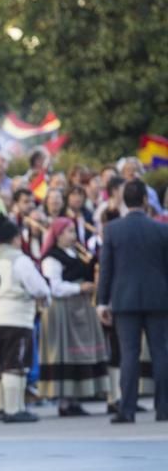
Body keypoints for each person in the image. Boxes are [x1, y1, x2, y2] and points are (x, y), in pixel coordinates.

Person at [97, 180, 168, 423]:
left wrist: (101, 302)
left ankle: (126, 409)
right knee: (161, 353)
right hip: (158, 299)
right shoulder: (161, 229)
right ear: (146, 201)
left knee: (129, 355)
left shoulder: (113, 230)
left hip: (124, 300)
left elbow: (106, 269)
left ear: (124, 201)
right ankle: (164, 408)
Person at [0, 216, 51, 423]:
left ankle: (2, 406)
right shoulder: (19, 259)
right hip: (17, 316)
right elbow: (38, 286)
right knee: (16, 362)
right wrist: (45, 298)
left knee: (2, 362)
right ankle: (14, 409)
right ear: (16, 238)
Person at [38, 217, 108, 416]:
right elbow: (54, 287)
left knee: (77, 354)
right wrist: (79, 287)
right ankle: (64, 401)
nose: (73, 236)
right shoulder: (52, 258)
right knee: (64, 354)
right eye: (69, 231)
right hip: (62, 309)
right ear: (58, 235)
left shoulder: (76, 253)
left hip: (79, 307)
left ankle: (75, 398)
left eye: (73, 231)